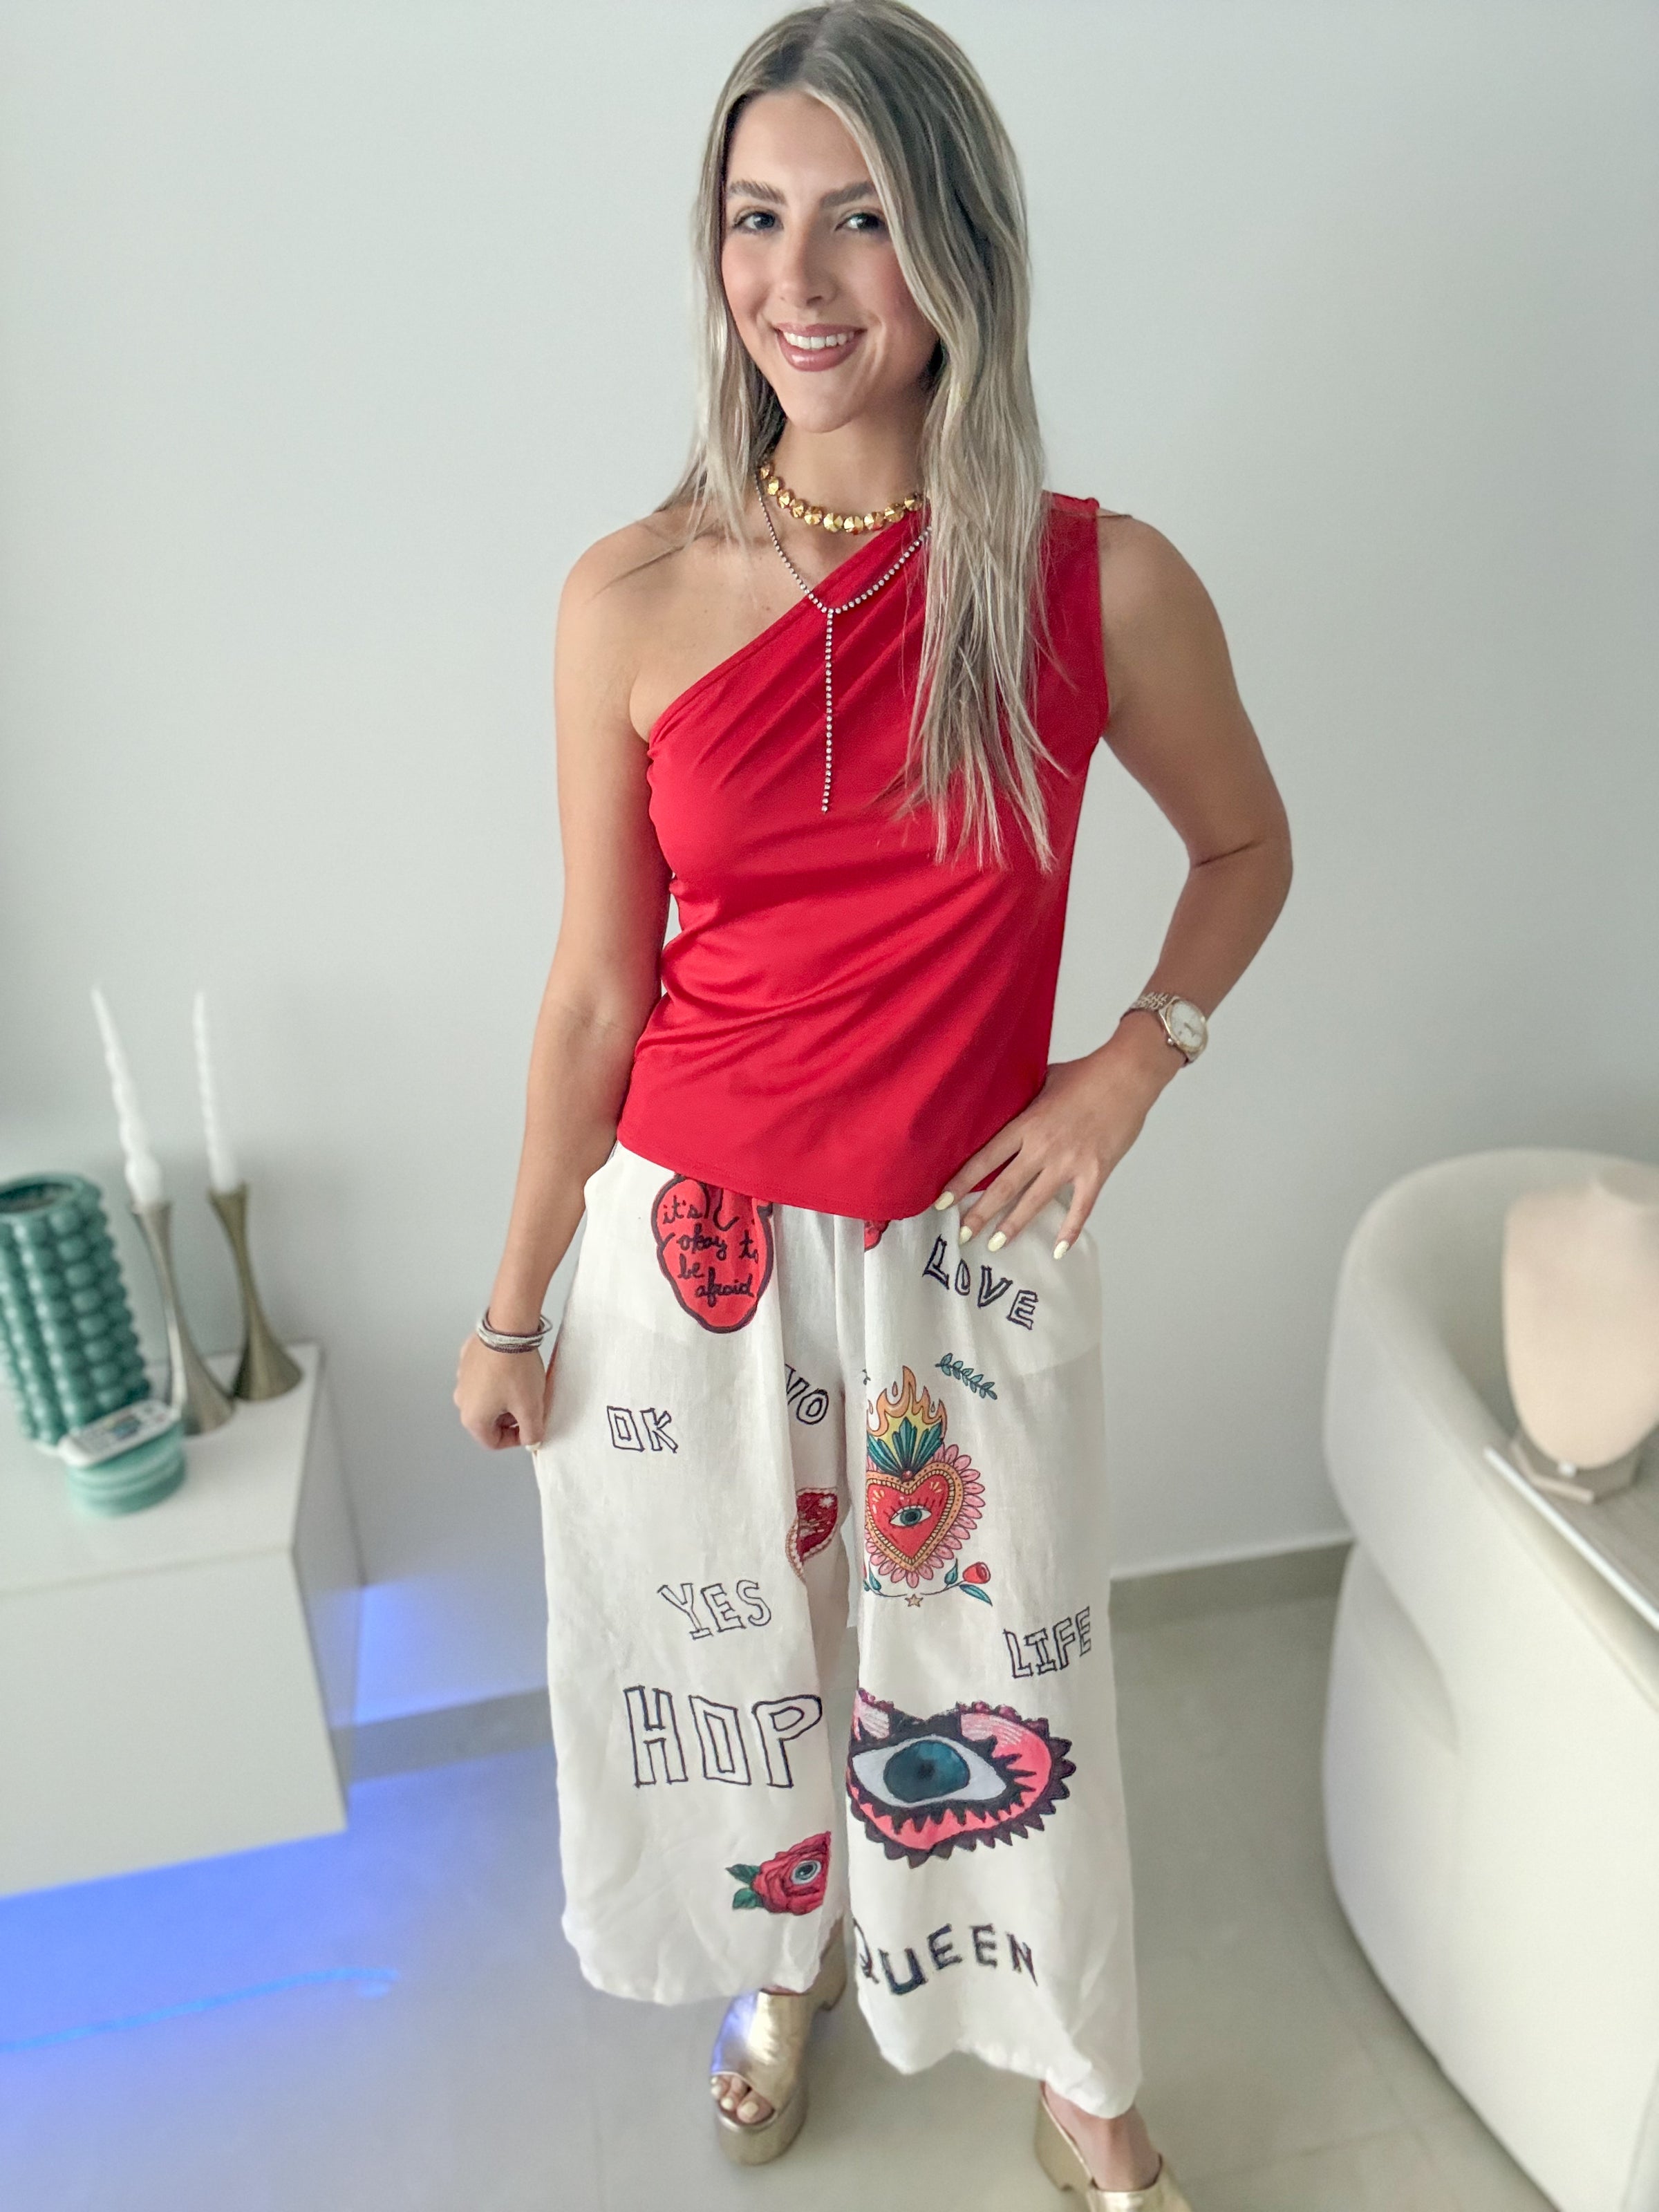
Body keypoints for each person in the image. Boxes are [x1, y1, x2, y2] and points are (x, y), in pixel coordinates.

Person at [453, 4, 1291, 2204]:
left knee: (1013, 1673)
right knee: (739, 1657)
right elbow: (597, 989)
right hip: (691, 1255)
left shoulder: (1097, 582)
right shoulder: (631, 595)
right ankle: (784, 1963)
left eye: (861, 220)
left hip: (963, 1249)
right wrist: (516, 1302)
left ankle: (1075, 2066)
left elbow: (1244, 848)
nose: (798, 281)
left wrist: (1129, 1066)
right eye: (756, 219)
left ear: (959, 254)